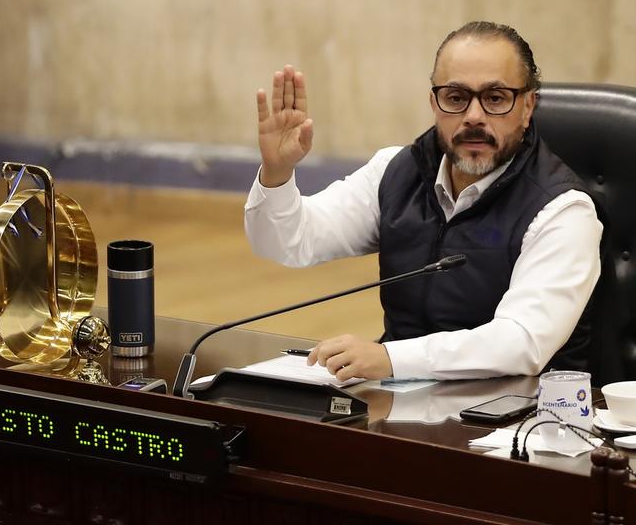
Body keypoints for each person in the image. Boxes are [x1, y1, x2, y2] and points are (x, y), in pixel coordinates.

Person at [244, 21, 604, 382]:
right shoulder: (395, 171)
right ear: (434, 103)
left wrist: (392, 359)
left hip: (517, 420)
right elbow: (289, 243)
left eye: (495, 98)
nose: (474, 116)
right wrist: (277, 172)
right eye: (456, 98)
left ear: (527, 107)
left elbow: (522, 341)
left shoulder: (563, 210)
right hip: (401, 400)